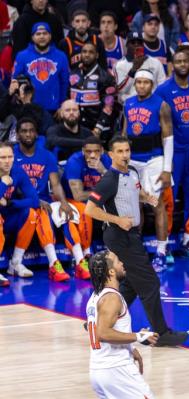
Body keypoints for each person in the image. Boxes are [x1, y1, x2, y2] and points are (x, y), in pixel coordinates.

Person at [85, 136, 188, 346]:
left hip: (130, 234)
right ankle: (162, 333)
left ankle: (96, 320)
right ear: (110, 155)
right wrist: (117, 219)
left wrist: (145, 197)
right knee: (150, 283)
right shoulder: (109, 179)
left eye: (127, 151)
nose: (125, 155)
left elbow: (132, 191)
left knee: (130, 283)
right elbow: (90, 209)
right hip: (119, 235)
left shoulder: (132, 172)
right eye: (120, 152)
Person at [14, 117, 91, 282]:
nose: (28, 134)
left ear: (36, 134)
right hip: (22, 203)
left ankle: (79, 262)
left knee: (65, 214)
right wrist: (35, 200)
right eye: (24, 131)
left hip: (44, 201)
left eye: (31, 131)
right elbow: (15, 187)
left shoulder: (47, 156)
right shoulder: (11, 155)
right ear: (18, 135)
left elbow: (55, 184)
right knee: (42, 213)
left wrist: (64, 203)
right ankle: (53, 263)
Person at [155, 45, 189, 260]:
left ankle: (188, 239)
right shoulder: (163, 90)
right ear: (172, 64)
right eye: (178, 61)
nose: (182, 65)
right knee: (168, 198)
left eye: (185, 61)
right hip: (172, 152)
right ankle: (166, 242)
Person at [86, 250, 158, 398]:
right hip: (117, 371)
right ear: (111, 272)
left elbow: (92, 326)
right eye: (119, 262)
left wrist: (130, 348)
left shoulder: (95, 296)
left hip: (99, 370)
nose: (123, 263)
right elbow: (102, 333)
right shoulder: (112, 298)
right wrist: (138, 336)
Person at [122, 69, 173, 272]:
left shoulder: (161, 105)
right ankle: (136, 249)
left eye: (146, 82)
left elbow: (168, 137)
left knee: (156, 203)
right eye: (139, 82)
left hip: (154, 160)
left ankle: (161, 252)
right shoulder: (128, 103)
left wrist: (167, 169)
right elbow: (125, 132)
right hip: (133, 159)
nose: (142, 85)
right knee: (136, 205)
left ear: (152, 85)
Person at [62, 136, 111, 262]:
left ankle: (118, 250)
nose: (93, 155)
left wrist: (103, 171)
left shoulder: (107, 160)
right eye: (89, 151)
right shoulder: (75, 161)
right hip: (71, 200)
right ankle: (86, 252)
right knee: (85, 208)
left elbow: (117, 187)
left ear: (102, 151)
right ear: (83, 151)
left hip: (96, 199)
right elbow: (78, 195)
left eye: (96, 151)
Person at [0, 142, 39, 283]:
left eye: (10, 157)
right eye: (2, 157)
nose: (7, 161)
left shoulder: (17, 171)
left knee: (31, 214)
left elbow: (35, 200)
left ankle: (15, 263)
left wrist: (11, 203)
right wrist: (3, 183)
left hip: (9, 215)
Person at [12, 22, 69, 114]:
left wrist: (62, 105)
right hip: (30, 108)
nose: (42, 36)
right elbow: (15, 80)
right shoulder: (22, 56)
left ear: (50, 36)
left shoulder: (61, 56)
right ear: (32, 37)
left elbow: (64, 83)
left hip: (54, 109)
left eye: (45, 33)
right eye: (38, 34)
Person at [69, 42, 117, 140]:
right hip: (76, 129)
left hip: (98, 130)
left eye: (91, 52)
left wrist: (98, 128)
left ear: (97, 55)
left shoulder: (106, 77)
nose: (87, 54)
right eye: (84, 51)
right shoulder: (73, 74)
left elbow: (108, 105)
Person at [114, 32, 166, 105]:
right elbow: (121, 91)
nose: (136, 45)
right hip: (130, 105)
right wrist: (133, 70)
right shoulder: (120, 65)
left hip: (152, 103)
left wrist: (152, 100)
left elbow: (162, 86)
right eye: (133, 42)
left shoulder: (155, 62)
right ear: (127, 45)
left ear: (143, 45)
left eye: (139, 43)